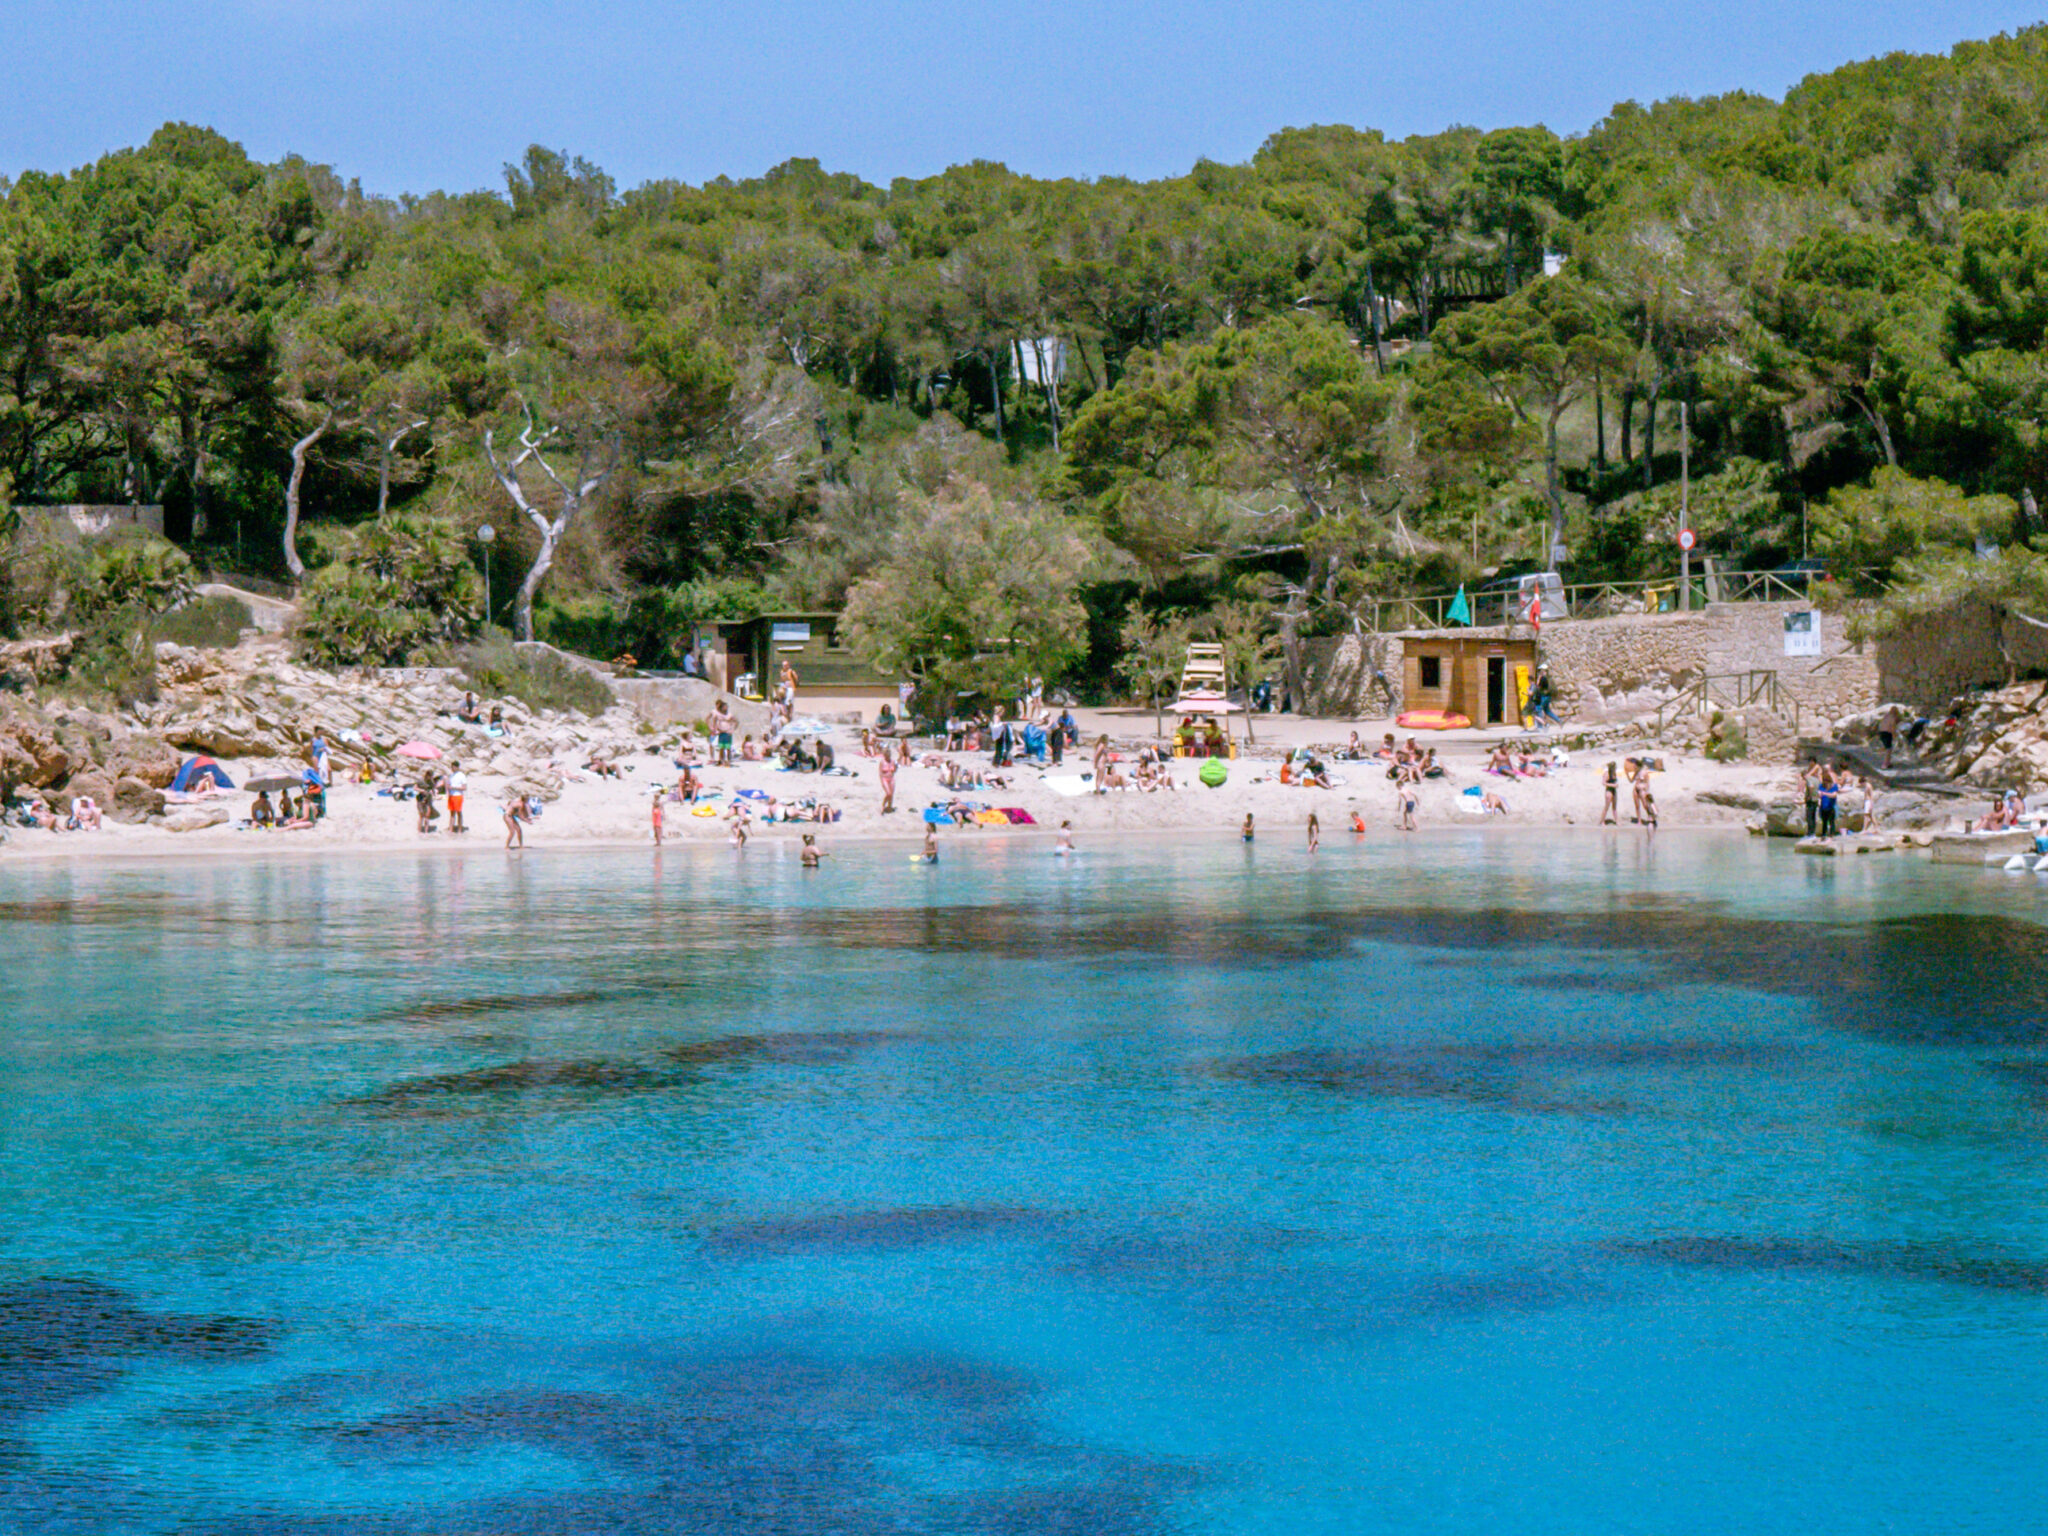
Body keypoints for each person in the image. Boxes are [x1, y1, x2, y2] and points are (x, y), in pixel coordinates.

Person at [710, 699, 737, 766]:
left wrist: (732, 730)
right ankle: (721, 760)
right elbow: (715, 722)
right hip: (721, 733)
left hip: (728, 733)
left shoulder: (729, 715)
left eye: (726, 706)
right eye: (724, 707)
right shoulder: (718, 715)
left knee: (728, 748)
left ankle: (728, 761)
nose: (726, 708)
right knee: (721, 748)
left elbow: (736, 722)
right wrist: (715, 729)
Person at [1817, 765, 1839, 838]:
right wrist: (1819, 797)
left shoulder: (1834, 786)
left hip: (1831, 807)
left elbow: (1834, 795)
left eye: (1827, 781)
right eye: (1824, 781)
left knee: (1831, 822)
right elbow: (1819, 794)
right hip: (1823, 807)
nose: (1825, 783)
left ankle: (1831, 836)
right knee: (1824, 822)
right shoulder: (1821, 786)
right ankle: (1823, 836)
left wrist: (1825, 794)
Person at [1800, 762, 1821, 838]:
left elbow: (1811, 787)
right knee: (1813, 816)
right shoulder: (1816, 779)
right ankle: (1813, 833)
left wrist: (1809, 796)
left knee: (1809, 817)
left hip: (1811, 800)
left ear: (1803, 775)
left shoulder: (1808, 779)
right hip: (1816, 800)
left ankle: (1809, 833)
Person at [446, 763, 467, 834]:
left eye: (453, 767)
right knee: (452, 813)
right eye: (451, 767)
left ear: (457, 767)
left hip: (458, 795)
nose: (452, 769)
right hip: (451, 796)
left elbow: (464, 787)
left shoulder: (461, 775)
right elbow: (448, 785)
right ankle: (451, 829)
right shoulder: (451, 775)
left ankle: (459, 830)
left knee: (459, 812)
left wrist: (454, 787)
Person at [1879, 704, 1901, 769]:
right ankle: (1885, 764)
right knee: (1889, 749)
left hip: (1881, 732)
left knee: (1887, 748)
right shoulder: (1892, 717)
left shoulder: (1886, 716)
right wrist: (1894, 735)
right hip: (1887, 733)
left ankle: (1888, 762)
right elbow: (1892, 727)